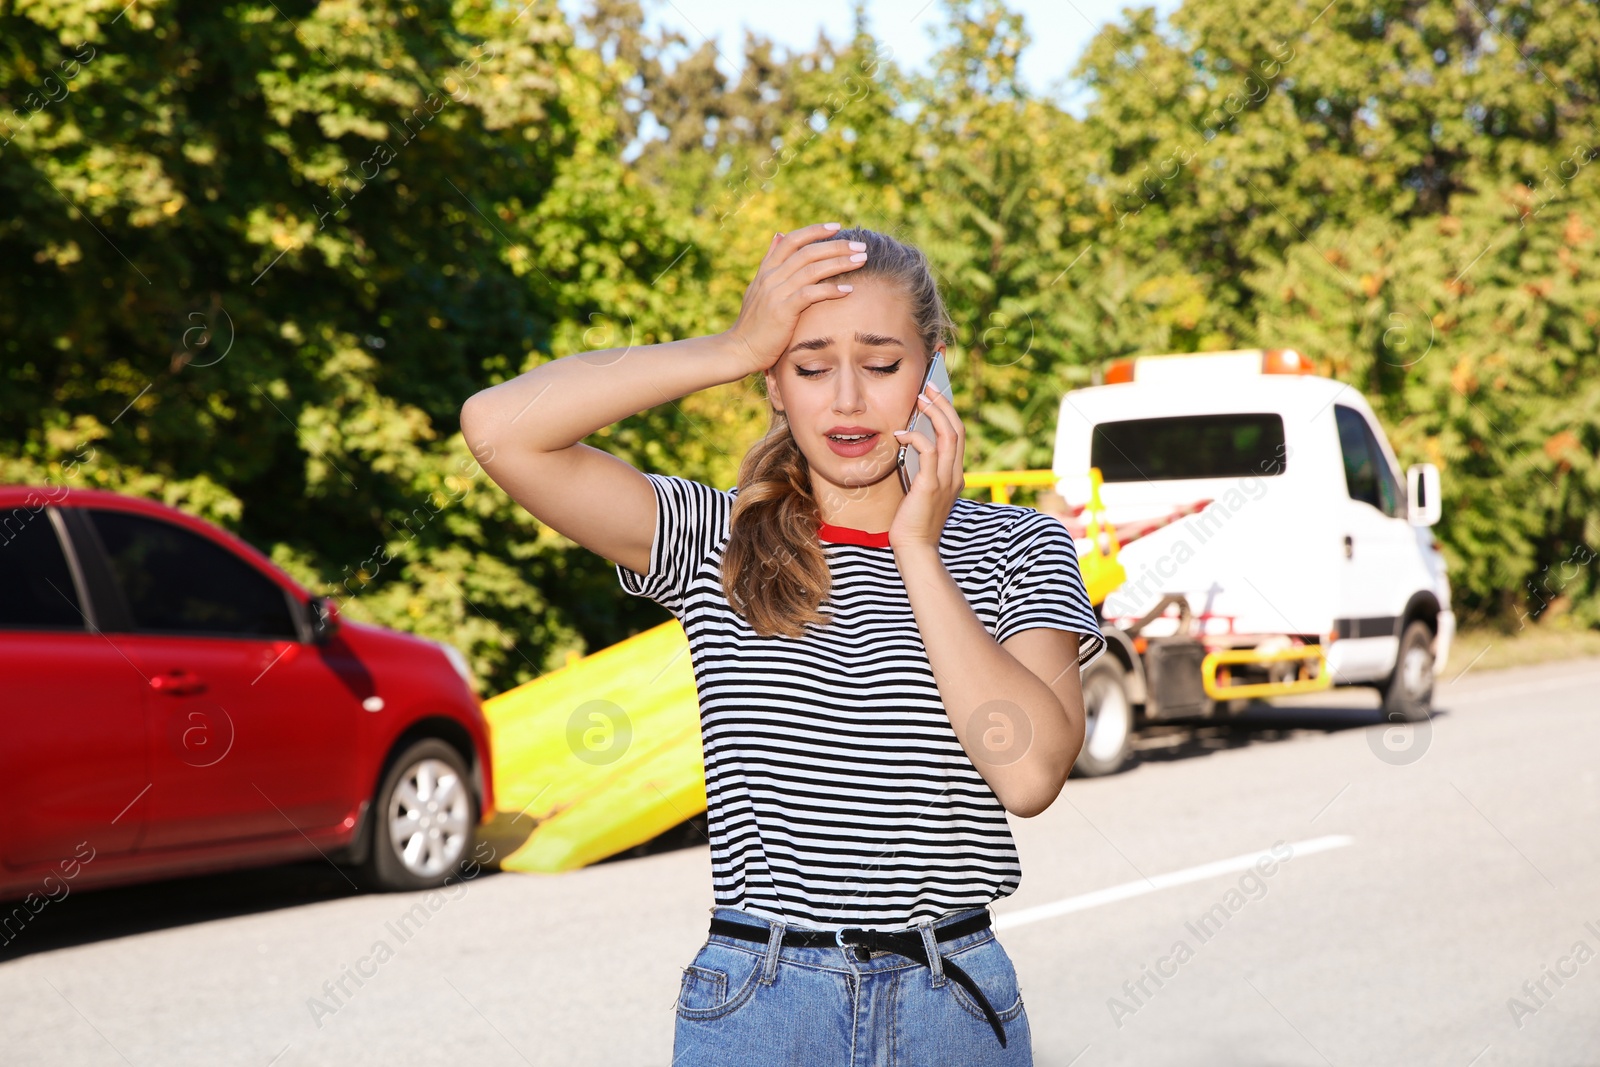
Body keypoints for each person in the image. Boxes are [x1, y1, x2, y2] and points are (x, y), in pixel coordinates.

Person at [460, 222, 1106, 1066]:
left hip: (954, 1004)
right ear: (774, 381)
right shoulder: (712, 537)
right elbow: (498, 427)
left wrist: (919, 545)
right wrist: (731, 344)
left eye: (881, 364)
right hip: (760, 1006)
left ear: (933, 367)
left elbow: (1027, 773)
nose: (846, 399)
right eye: (808, 365)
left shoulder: (1019, 547)